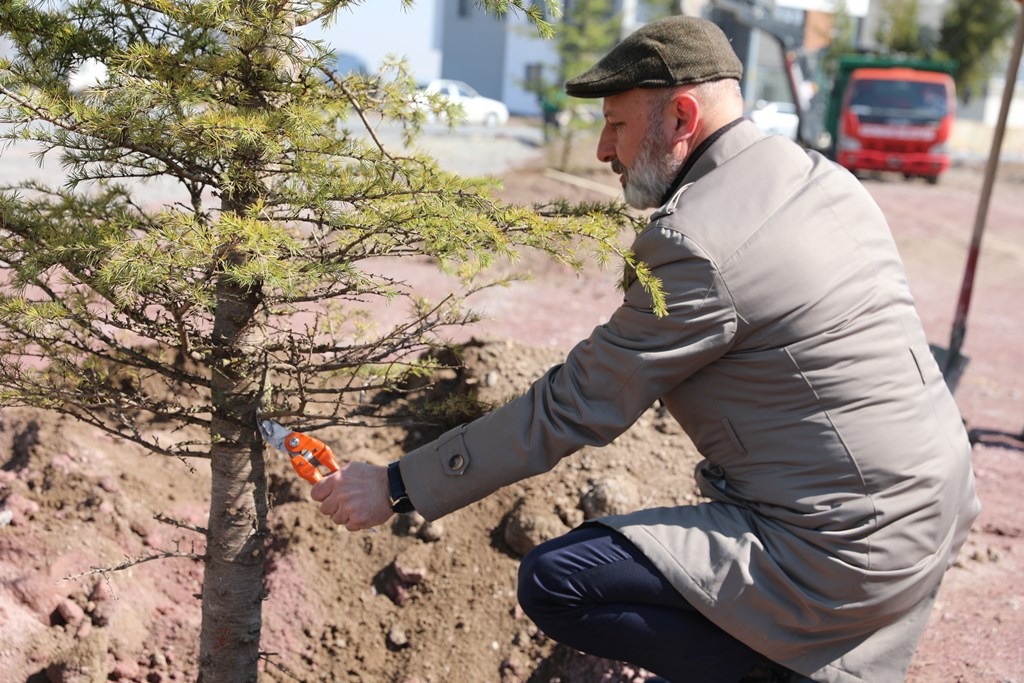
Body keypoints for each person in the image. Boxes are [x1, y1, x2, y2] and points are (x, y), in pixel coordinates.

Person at [311, 15, 980, 683]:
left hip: (845, 549)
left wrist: (397, 485)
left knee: (559, 580)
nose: (605, 149)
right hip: (934, 508)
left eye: (618, 125)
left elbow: (575, 405)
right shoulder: (818, 176)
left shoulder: (700, 243)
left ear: (681, 116)